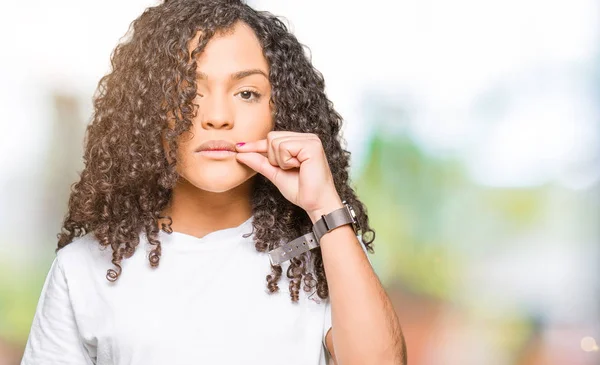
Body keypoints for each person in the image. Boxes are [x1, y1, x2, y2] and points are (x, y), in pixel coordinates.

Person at [20, 0, 406, 364]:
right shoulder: (83, 268)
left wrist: (325, 207)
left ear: (281, 110)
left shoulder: (323, 254)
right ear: (148, 112)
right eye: (189, 92)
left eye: (247, 93)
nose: (218, 116)